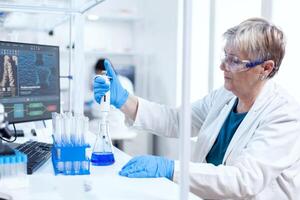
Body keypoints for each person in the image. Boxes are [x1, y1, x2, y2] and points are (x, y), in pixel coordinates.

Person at [93, 18, 300, 199]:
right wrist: (123, 100)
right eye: (225, 56)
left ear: (266, 68)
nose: (223, 66)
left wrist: (169, 168)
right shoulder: (226, 95)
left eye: (235, 61)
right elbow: (176, 120)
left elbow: (243, 180)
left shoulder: (285, 115)